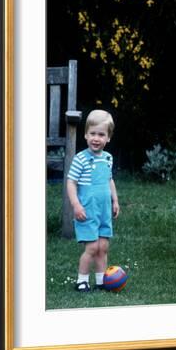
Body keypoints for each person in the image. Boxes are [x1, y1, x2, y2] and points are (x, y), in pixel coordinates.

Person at [67, 109, 120, 292]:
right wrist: (76, 205)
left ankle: (101, 280)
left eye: (101, 134)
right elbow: (71, 182)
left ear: (108, 138)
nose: (96, 138)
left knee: (103, 247)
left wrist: (115, 201)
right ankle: (81, 280)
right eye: (92, 134)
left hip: (104, 210)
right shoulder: (80, 159)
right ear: (85, 134)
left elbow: (109, 180)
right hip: (87, 210)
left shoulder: (107, 158)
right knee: (92, 247)